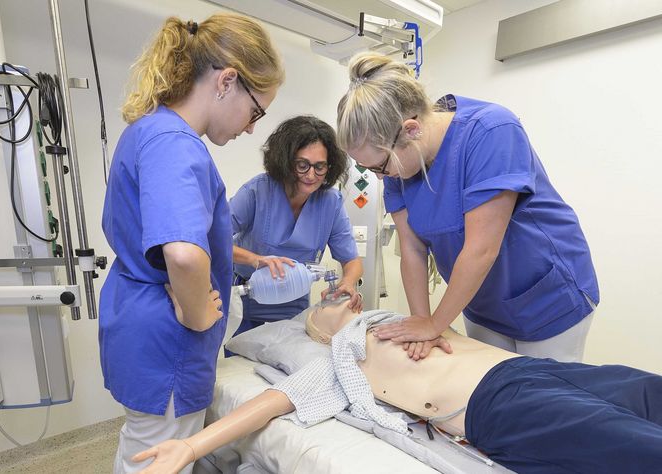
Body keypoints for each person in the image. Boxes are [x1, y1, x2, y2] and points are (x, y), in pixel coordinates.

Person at [133, 300, 662, 474]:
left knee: (646, 391)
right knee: (637, 446)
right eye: (333, 300)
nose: (348, 296)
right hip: (499, 404)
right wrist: (191, 445)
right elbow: (274, 402)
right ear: (320, 328)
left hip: (530, 369)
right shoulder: (341, 358)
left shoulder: (405, 317)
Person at [100, 13, 283, 473]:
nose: (250, 128)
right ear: (226, 81)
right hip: (168, 344)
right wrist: (200, 312)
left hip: (141, 328)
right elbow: (182, 252)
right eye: (256, 111)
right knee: (158, 459)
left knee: (142, 449)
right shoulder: (176, 144)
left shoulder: (149, 130)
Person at [335, 52, 599, 362]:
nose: (380, 176)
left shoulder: (491, 131)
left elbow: (481, 249)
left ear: (410, 130)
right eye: (368, 168)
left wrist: (435, 324)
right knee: (490, 390)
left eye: (379, 165)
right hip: (480, 299)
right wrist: (423, 320)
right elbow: (412, 249)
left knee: (541, 400)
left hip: (547, 295)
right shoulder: (399, 164)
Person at [229, 115, 363, 336]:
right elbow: (212, 241)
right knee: (240, 366)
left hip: (294, 301)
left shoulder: (331, 202)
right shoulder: (258, 191)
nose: (311, 175)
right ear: (286, 161)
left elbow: (351, 260)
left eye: (320, 167)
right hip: (247, 296)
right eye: (302, 165)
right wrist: (255, 260)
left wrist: (348, 282)